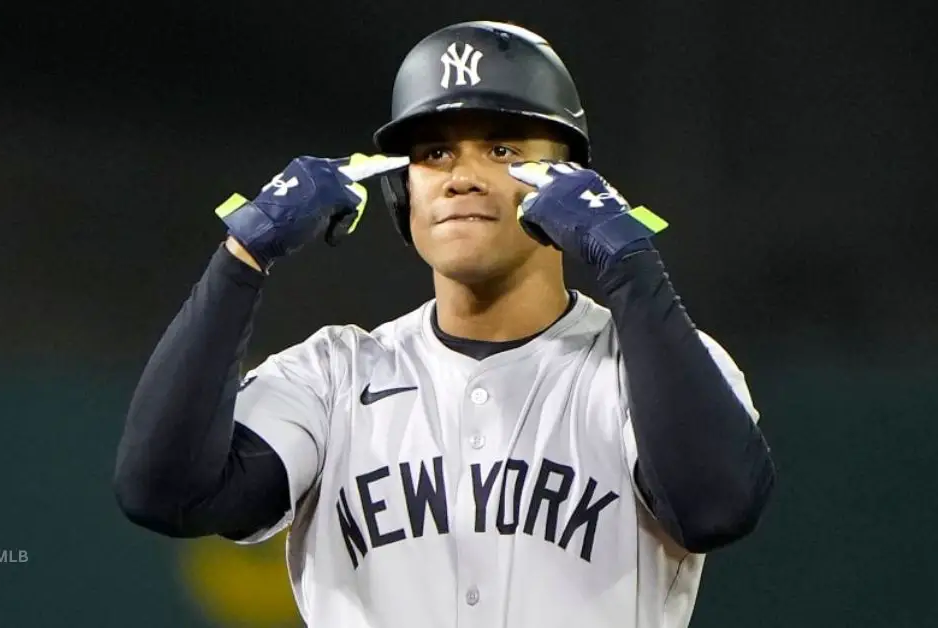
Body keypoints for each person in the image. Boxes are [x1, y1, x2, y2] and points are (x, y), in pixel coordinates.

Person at [114, 20, 775, 628]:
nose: (461, 176)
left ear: (568, 182)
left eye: (502, 147)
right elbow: (165, 491)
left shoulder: (652, 366)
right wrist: (244, 254)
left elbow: (714, 505)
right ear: (403, 194)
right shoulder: (333, 378)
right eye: (433, 153)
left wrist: (629, 259)